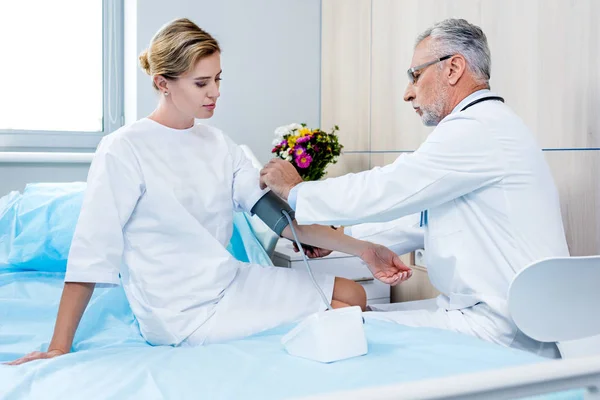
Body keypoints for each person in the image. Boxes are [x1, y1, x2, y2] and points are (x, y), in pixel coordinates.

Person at [7, 18, 413, 366]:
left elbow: (282, 222)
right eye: (201, 82)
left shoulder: (220, 145)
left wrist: (362, 248)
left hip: (230, 282)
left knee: (355, 295)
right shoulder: (124, 149)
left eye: (218, 79)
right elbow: (90, 252)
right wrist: (59, 348)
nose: (214, 92)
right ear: (162, 83)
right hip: (181, 311)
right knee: (342, 315)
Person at [259, 18, 568, 358]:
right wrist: (345, 240)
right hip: (490, 320)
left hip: (500, 333)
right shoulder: (483, 131)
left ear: (453, 68)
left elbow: (387, 187)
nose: (408, 92)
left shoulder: (479, 130)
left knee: (342, 328)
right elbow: (421, 219)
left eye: (415, 75)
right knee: (352, 319)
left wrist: (297, 190)